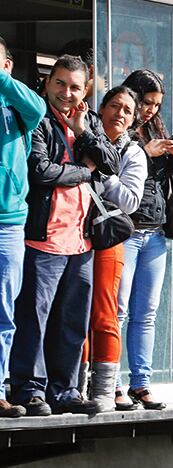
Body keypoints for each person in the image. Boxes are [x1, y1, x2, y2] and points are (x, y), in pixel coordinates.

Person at [11, 54, 120, 416]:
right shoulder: (36, 117)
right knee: (34, 319)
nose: (66, 93)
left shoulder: (89, 120)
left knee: (72, 322)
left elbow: (111, 163)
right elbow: (41, 171)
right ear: (47, 82)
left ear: (85, 90)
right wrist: (85, 170)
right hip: (42, 238)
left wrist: (84, 132)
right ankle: (29, 389)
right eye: (59, 83)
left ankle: (65, 390)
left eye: (75, 87)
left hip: (81, 240)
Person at [117, 68, 173, 410]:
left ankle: (141, 383)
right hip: (125, 230)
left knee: (146, 313)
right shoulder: (118, 127)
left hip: (155, 230)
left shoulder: (155, 129)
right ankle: (109, 381)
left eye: (156, 105)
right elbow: (112, 169)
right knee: (117, 311)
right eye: (146, 102)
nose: (150, 110)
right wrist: (146, 152)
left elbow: (162, 179)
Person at [83, 85, 147, 412]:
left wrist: (102, 171)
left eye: (127, 110)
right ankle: (74, 385)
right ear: (102, 107)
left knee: (106, 312)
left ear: (133, 119)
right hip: (71, 231)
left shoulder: (133, 153)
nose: (119, 114)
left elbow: (131, 201)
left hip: (107, 237)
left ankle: (106, 390)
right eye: (114, 106)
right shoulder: (83, 136)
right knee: (74, 310)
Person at [0, 36, 46, 418]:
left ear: (7, 66)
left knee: (3, 312)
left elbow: (39, 108)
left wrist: (1, 82)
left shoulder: (17, 107)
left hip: (9, 225)